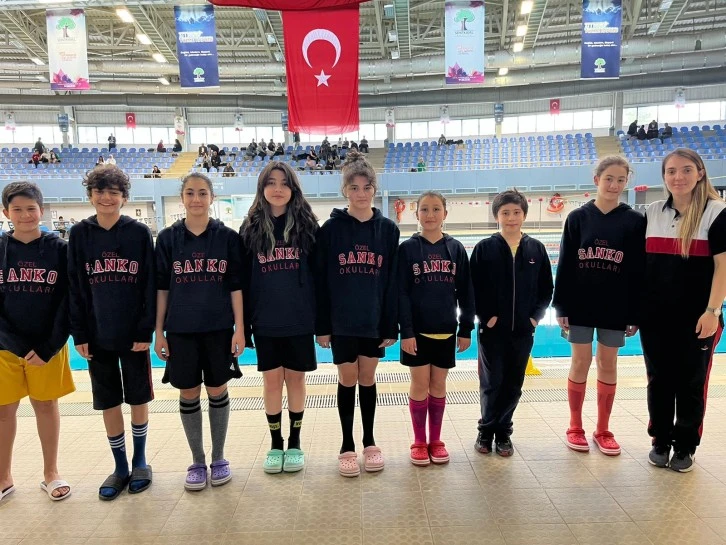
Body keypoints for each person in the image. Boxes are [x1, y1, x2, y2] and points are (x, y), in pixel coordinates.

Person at [68, 165, 156, 501]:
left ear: (124, 197)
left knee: (138, 397)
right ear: (90, 195)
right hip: (97, 333)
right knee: (108, 400)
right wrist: (79, 333)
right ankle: (120, 466)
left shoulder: (138, 233)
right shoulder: (80, 234)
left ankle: (140, 460)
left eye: (113, 192)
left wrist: (146, 328)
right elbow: (75, 286)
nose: (106, 198)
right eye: (100, 191)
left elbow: (149, 284)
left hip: (133, 333)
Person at [154, 173, 245, 491]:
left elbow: (236, 287)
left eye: (202, 193)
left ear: (212, 198)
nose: (196, 199)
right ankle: (197, 460)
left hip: (218, 329)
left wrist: (239, 329)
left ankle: (219, 457)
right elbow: (162, 289)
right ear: (182, 198)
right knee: (189, 392)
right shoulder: (168, 239)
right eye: (190, 193)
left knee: (218, 389)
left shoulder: (227, 238)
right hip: (181, 330)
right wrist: (159, 332)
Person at [552, 156, 646, 456]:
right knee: (580, 362)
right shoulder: (578, 218)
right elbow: (565, 264)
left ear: (626, 182)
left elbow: (637, 270)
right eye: (609, 179)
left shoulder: (634, 220)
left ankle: (603, 429)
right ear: (596, 180)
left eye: (620, 180)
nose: (614, 185)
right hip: (580, 303)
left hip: (616, 306)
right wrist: (560, 305)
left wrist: (635, 311)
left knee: (608, 363)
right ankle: (575, 426)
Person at [640, 149, 726, 472]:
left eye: (687, 170)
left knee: (691, 383)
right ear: (664, 176)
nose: (679, 177)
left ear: (700, 173)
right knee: (659, 380)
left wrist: (712, 311)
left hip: (698, 318)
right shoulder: (653, 212)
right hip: (656, 318)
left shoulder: (715, 212)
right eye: (672, 171)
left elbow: (723, 267)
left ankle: (685, 445)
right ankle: (660, 440)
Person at [316, 151, 400, 477]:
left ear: (375, 190)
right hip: (341, 322)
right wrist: (323, 326)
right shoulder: (330, 230)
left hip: (373, 320)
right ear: (345, 190)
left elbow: (392, 282)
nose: (361, 194)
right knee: (347, 378)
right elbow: (322, 282)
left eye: (367, 187)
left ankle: (369, 441)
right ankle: (346, 444)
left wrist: (390, 324)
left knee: (368, 377)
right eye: (354, 187)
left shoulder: (388, 230)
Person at [240, 162, 319, 474]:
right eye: (271, 183)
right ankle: (275, 444)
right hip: (266, 320)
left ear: (293, 189)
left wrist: (319, 321)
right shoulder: (249, 229)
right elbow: (243, 282)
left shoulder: (308, 227)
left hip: (299, 318)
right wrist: (244, 326)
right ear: (262, 188)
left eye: (284, 183)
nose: (277, 189)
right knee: (272, 382)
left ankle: (295, 442)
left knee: (296, 379)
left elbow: (318, 278)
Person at [0, 182, 74, 503]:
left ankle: (51, 472)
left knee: (46, 406)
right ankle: (3, 477)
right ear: (6, 213)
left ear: (41, 211)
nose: (25, 215)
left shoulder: (60, 250)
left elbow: (69, 301)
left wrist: (50, 346)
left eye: (31, 208)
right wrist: (15, 344)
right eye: (17, 209)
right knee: (3, 411)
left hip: (47, 347)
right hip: (4, 346)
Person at [471, 189, 553, 457]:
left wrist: (535, 317)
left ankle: (504, 432)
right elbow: (473, 288)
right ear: (497, 215)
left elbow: (546, 288)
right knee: (492, 382)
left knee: (514, 383)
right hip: (492, 330)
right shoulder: (484, 248)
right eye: (505, 212)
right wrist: (486, 317)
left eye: (516, 212)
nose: (511, 217)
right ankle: (486, 430)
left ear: (524, 215)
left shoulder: (536, 249)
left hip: (523, 330)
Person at [399, 191, 474, 466]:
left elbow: (466, 292)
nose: (430, 215)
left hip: (446, 330)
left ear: (445, 213)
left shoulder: (456, 249)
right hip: (417, 333)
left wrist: (466, 329)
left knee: (439, 384)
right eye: (424, 209)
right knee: (420, 384)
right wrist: (406, 332)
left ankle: (436, 440)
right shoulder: (407, 249)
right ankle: (419, 441)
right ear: (416, 214)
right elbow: (401, 294)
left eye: (435, 209)